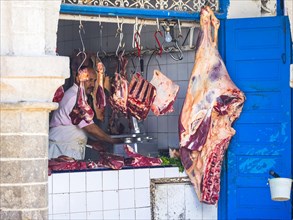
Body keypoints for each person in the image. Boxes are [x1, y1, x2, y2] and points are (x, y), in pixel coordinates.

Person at [49, 66, 119, 160]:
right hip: (61, 149)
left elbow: (73, 126)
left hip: (67, 148)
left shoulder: (78, 96)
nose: (92, 84)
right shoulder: (74, 97)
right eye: (89, 80)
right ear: (79, 78)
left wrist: (90, 142)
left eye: (94, 81)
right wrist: (112, 140)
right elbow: (90, 128)